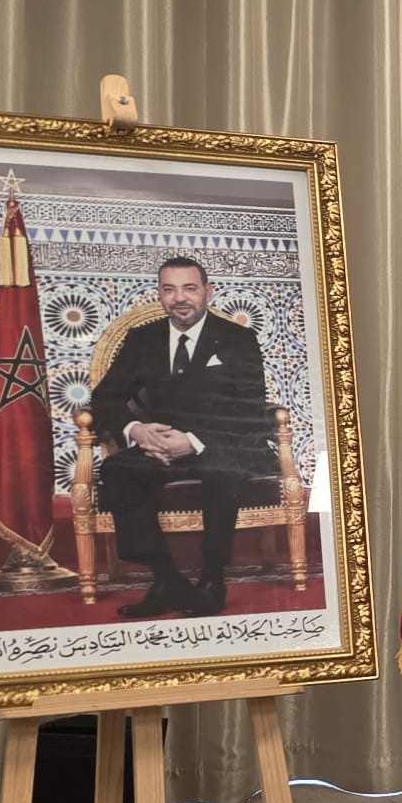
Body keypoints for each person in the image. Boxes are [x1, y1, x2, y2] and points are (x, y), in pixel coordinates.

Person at [89, 256, 274, 618]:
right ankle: (166, 580)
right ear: (159, 294)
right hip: (161, 445)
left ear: (208, 291)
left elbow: (249, 408)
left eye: (189, 288)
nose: (179, 298)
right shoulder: (143, 339)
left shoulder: (237, 339)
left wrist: (193, 440)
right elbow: (105, 398)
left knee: (222, 469)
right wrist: (137, 431)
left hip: (222, 443)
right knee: (119, 470)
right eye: (169, 289)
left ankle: (211, 579)